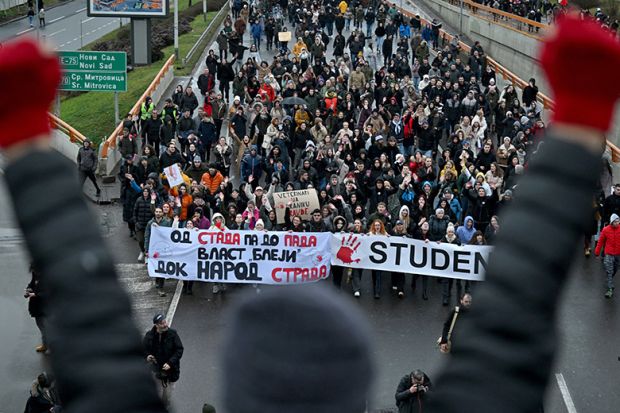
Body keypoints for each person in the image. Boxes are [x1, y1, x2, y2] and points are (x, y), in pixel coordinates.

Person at [144, 314, 184, 409]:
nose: (165, 324)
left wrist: (170, 363)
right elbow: (142, 349)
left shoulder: (173, 334)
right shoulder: (149, 336)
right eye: (162, 323)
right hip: (156, 371)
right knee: (157, 395)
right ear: (156, 325)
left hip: (171, 372)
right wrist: (147, 356)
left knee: (167, 396)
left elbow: (179, 350)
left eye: (165, 321)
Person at [594, 213, 620, 298]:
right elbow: (600, 242)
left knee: (615, 269)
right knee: (609, 271)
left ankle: (609, 280)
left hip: (618, 254)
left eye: (618, 221)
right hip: (608, 254)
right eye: (615, 222)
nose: (617, 223)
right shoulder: (605, 230)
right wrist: (597, 253)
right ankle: (609, 289)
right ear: (611, 222)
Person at [25, 264, 47, 353]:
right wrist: (29, 289)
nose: (33, 272)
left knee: (46, 327)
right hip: (36, 306)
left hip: (45, 306)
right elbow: (32, 284)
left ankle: (48, 345)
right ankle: (45, 345)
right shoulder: (35, 275)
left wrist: (35, 295)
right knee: (41, 325)